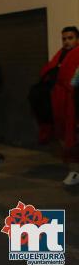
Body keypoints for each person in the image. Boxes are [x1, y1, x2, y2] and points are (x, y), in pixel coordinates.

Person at [39, 26, 79, 186]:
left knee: (72, 136)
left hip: (73, 102)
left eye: (70, 38)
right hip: (61, 101)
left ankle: (75, 171)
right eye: (64, 38)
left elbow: (72, 81)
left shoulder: (75, 55)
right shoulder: (61, 54)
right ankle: (74, 170)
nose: (66, 41)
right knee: (65, 135)